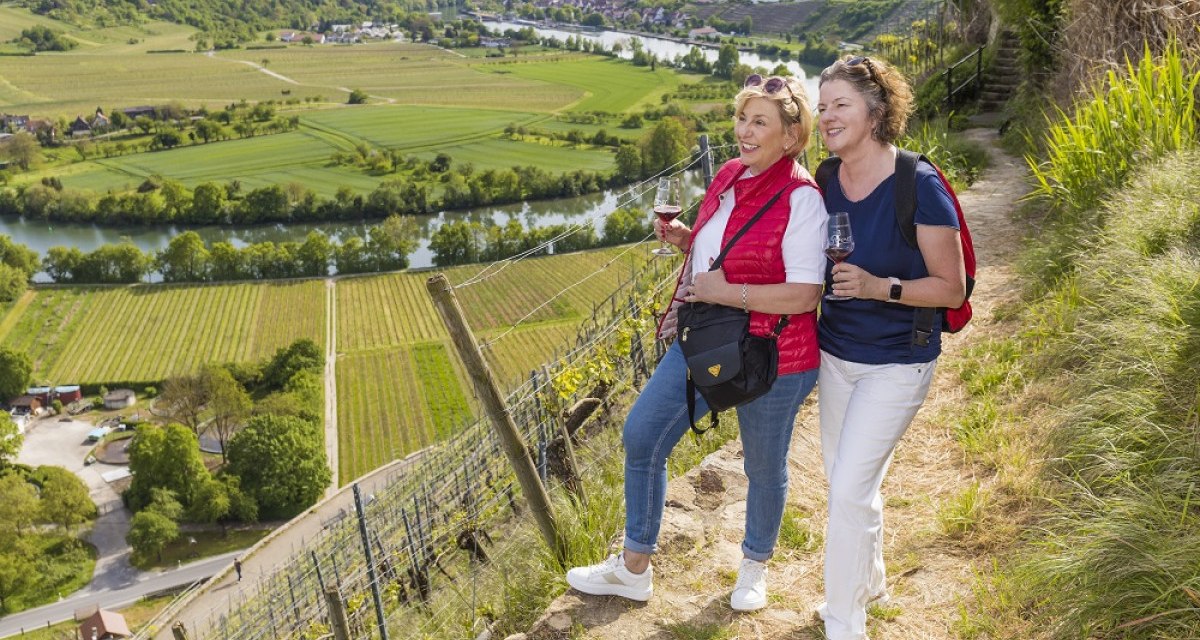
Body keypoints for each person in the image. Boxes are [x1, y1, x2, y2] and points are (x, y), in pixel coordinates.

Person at [566, 74, 828, 611]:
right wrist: (689, 240)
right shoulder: (729, 176)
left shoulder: (803, 199)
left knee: (762, 465)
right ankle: (634, 567)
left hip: (774, 356)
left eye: (761, 122)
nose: (744, 132)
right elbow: (724, 252)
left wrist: (727, 293)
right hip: (708, 341)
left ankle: (754, 565)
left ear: (791, 136)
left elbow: (804, 295)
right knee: (642, 436)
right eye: (741, 118)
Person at [813, 55, 967, 639]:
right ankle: (870, 579)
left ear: (876, 112)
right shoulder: (826, 179)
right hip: (836, 354)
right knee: (848, 482)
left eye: (840, 105)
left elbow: (949, 287)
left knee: (849, 488)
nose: (827, 116)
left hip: (899, 362)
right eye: (822, 106)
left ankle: (843, 620)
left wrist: (883, 286)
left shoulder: (918, 185)